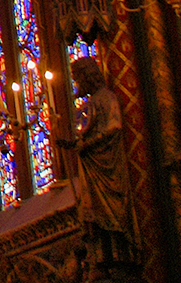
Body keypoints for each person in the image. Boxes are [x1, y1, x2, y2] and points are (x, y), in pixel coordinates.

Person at [64, 56, 136, 275]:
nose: (77, 84)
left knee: (110, 214)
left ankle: (120, 256)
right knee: (93, 215)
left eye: (78, 78)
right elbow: (84, 133)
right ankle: (102, 257)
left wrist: (87, 145)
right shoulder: (88, 105)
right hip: (92, 167)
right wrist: (73, 144)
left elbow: (114, 127)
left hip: (108, 166)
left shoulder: (106, 98)